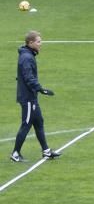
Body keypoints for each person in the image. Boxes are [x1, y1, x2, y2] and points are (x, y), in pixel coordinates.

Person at [11, 31, 59, 163]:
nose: (40, 44)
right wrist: (41, 89)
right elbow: (28, 77)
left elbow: (23, 75)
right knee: (26, 125)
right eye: (38, 41)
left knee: (39, 122)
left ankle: (46, 151)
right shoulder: (27, 57)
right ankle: (15, 153)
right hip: (27, 99)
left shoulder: (27, 55)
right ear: (30, 43)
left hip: (31, 97)